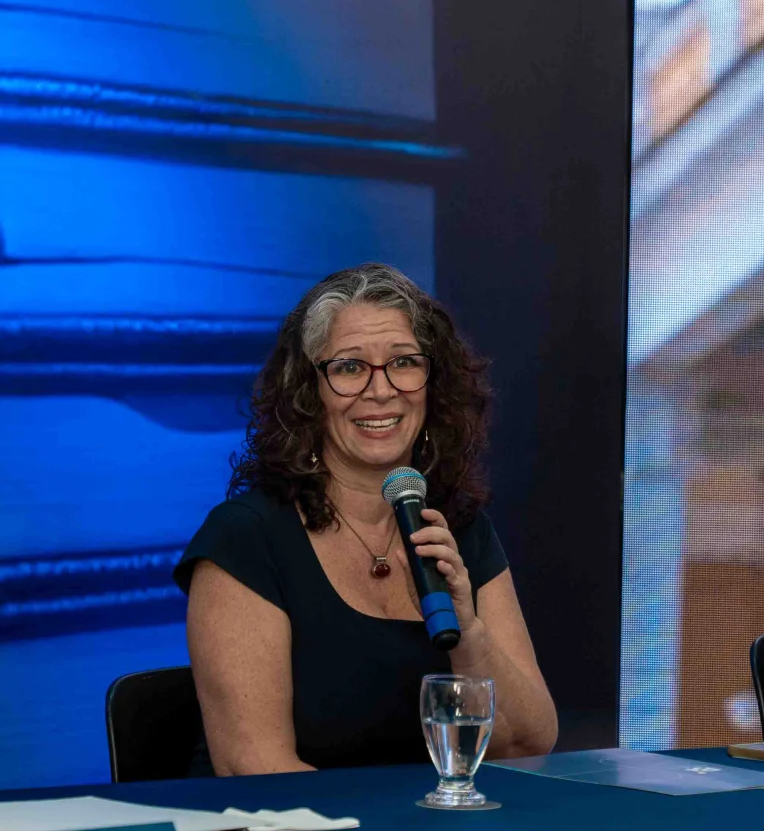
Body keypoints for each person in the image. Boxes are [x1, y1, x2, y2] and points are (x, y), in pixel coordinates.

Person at [177, 264, 556, 773]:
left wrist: (468, 631)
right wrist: (405, 823)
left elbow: (529, 745)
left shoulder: (460, 530)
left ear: (433, 384)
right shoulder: (246, 538)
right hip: (299, 823)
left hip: (437, 819)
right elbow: (255, 767)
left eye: (404, 362)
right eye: (350, 367)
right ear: (309, 391)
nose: (381, 390)